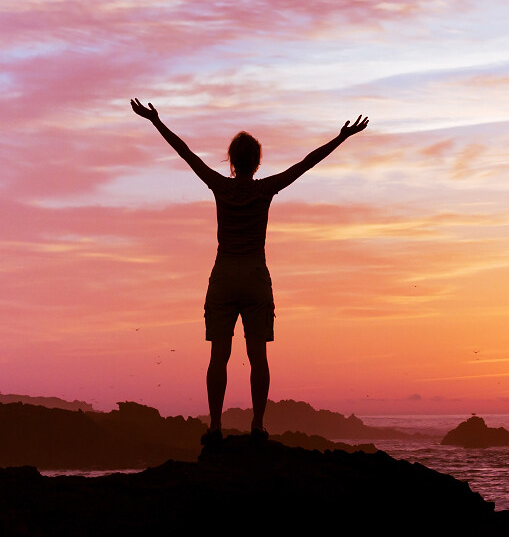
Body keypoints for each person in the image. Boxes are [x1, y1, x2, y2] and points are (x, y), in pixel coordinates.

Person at [130, 98, 368, 445]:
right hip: (255, 276)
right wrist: (341, 137)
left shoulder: (220, 185)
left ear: (231, 160)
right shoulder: (264, 189)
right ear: (257, 162)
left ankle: (215, 426)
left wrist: (156, 121)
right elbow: (306, 164)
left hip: (224, 276)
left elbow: (186, 154)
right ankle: (257, 425)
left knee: (218, 357)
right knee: (258, 357)